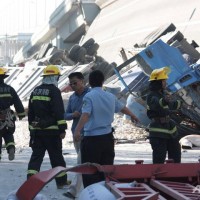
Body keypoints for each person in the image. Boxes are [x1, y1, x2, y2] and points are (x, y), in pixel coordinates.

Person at [74, 70, 139, 188]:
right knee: (106, 169)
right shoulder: (110, 96)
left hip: (92, 140)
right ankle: (106, 192)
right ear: (103, 82)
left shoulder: (89, 96)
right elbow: (122, 108)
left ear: (89, 82)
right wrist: (133, 115)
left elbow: (86, 114)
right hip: (107, 139)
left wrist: (77, 130)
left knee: (90, 170)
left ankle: (93, 193)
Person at [27, 65, 69, 189]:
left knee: (36, 158)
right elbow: (58, 111)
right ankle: (61, 182)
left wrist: (31, 129)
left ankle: (30, 182)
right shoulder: (54, 91)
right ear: (54, 77)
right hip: (52, 133)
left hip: (38, 132)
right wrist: (62, 129)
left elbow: (30, 113)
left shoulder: (35, 90)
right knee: (56, 158)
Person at [146, 66, 182, 164]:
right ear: (158, 82)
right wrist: (165, 100)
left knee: (176, 156)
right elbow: (157, 103)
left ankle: (175, 176)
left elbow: (172, 105)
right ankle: (157, 177)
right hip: (158, 132)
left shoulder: (163, 94)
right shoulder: (151, 96)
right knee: (159, 159)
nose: (166, 83)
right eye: (164, 81)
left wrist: (180, 102)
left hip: (170, 130)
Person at [63, 72, 90, 198]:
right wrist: (72, 115)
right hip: (77, 134)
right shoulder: (72, 98)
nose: (73, 85)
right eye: (71, 83)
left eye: (75, 82)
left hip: (90, 133)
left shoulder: (90, 95)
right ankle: (89, 188)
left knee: (81, 162)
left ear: (82, 81)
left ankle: (73, 190)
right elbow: (65, 115)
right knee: (85, 162)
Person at [0, 67, 26, 161]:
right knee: (8, 133)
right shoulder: (10, 89)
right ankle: (11, 148)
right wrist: (21, 114)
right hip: (8, 116)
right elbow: (17, 102)